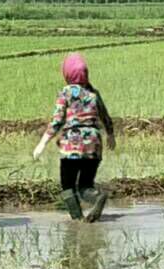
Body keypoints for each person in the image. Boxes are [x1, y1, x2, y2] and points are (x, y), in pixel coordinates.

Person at [33, 52, 116, 222]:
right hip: (94, 144)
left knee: (67, 186)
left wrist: (42, 143)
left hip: (72, 144)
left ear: (67, 73)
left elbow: (57, 121)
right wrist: (111, 135)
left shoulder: (66, 92)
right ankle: (97, 196)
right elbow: (105, 116)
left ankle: (77, 221)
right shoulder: (93, 92)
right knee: (85, 185)